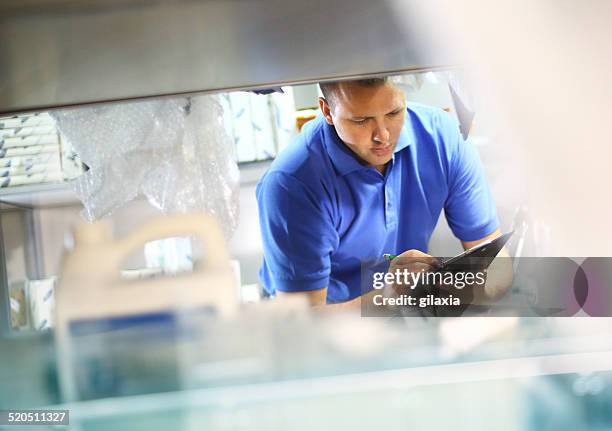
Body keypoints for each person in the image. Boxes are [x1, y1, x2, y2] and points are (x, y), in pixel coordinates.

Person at [256, 77, 511, 308]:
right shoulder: (292, 183)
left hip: (401, 310)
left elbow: (496, 262)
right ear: (327, 111)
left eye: (394, 112)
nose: (384, 136)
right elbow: (304, 324)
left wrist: (465, 288)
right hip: (329, 323)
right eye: (361, 120)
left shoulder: (444, 139)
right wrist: (385, 298)